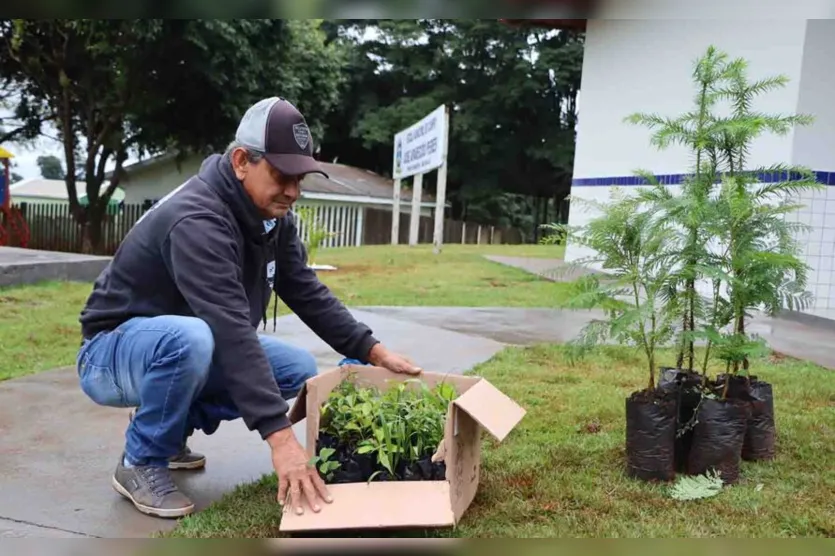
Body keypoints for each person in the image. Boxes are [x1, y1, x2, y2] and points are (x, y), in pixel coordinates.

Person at [76, 97, 422, 519]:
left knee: (295, 368)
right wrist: (281, 441)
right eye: (282, 175)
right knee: (193, 338)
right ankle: (141, 460)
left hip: (185, 340)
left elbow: (304, 290)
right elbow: (230, 331)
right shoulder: (198, 220)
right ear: (242, 161)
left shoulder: (270, 216)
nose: (293, 191)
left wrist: (372, 349)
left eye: (299, 177)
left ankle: (171, 432)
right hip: (111, 353)